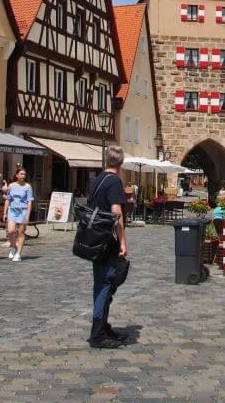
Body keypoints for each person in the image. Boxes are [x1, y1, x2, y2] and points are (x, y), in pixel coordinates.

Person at [87, 145, 129, 349]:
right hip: (106, 240)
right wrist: (122, 241)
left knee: (100, 283)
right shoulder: (114, 182)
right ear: (121, 163)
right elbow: (116, 213)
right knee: (107, 283)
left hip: (94, 239)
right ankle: (97, 334)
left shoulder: (96, 181)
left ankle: (102, 326)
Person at [4, 168, 34, 262]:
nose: (23, 176)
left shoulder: (28, 186)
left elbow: (29, 201)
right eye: (21, 174)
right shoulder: (11, 186)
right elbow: (8, 199)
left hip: (23, 211)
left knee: (21, 232)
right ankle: (13, 246)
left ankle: (18, 254)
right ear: (16, 175)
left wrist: (28, 215)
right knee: (10, 231)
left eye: (24, 174)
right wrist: (5, 212)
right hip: (12, 210)